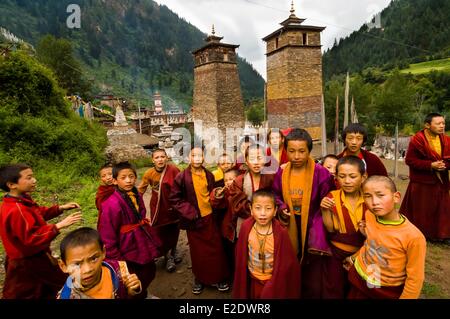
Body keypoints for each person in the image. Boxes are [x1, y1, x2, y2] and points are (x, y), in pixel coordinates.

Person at [0, 163, 82, 299]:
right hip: (27, 261)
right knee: (23, 292)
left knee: (44, 288)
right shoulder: (16, 210)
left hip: (34, 257)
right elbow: (31, 238)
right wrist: (59, 225)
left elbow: (37, 214)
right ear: (12, 184)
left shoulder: (21, 201)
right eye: (29, 178)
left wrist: (60, 208)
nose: (34, 180)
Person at [272, 128, 335, 299]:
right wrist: (281, 206)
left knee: (312, 264)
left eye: (302, 151)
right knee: (291, 259)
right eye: (291, 151)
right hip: (291, 222)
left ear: (309, 151)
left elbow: (328, 198)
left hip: (314, 224)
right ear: (285, 150)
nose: (296, 156)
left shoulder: (321, 173)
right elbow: (276, 194)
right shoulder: (282, 172)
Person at [346, 175, 426, 299]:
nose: (374, 202)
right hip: (363, 277)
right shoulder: (370, 216)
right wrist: (354, 258)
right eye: (368, 196)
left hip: (387, 287)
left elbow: (415, 278)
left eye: (380, 195)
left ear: (396, 197)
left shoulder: (414, 237)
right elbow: (372, 242)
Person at [169, 146, 230, 295]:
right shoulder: (181, 177)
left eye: (200, 156)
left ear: (204, 158)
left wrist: (218, 196)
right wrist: (190, 212)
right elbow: (174, 198)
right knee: (198, 252)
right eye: (193, 155)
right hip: (194, 220)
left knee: (216, 249)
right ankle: (200, 279)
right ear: (189, 158)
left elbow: (212, 195)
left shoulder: (209, 174)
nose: (197, 158)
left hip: (210, 218)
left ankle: (219, 277)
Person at [98, 162, 160, 299]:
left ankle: (143, 293)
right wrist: (117, 261)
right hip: (126, 246)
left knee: (148, 270)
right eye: (123, 177)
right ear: (115, 181)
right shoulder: (111, 204)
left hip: (139, 239)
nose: (128, 180)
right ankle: (138, 295)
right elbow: (107, 236)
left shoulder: (135, 193)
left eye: (131, 176)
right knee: (132, 276)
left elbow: (142, 214)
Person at [233, 190, 301, 299]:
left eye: (268, 208)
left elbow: (287, 262)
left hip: (272, 281)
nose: (263, 213)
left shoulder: (280, 232)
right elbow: (240, 254)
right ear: (251, 209)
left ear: (275, 211)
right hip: (253, 278)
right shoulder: (246, 227)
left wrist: (275, 280)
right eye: (258, 208)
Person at [320, 156, 367, 298]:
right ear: (336, 177)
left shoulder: (369, 198)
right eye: (342, 176)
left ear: (363, 177)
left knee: (359, 290)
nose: (347, 181)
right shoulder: (332, 197)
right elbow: (330, 229)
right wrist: (324, 210)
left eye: (352, 176)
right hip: (337, 253)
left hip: (363, 254)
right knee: (334, 289)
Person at [399, 113, 450, 243]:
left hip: (440, 181)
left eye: (443, 123)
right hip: (422, 182)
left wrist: (444, 165)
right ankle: (420, 234)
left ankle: (441, 235)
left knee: (441, 209)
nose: (442, 126)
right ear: (427, 125)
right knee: (422, 210)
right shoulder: (417, 140)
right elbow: (410, 160)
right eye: (438, 123)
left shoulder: (446, 140)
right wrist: (430, 165)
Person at [57, 227, 142, 299]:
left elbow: (127, 294)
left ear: (103, 252)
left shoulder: (118, 269)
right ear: (63, 266)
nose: (87, 269)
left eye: (94, 259)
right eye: (77, 264)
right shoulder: (66, 296)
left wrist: (133, 291)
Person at [138, 149, 182, 273]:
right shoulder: (149, 173)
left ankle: (173, 249)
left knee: (174, 228)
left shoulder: (174, 170)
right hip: (157, 205)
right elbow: (141, 190)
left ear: (166, 158)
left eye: (162, 156)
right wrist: (133, 202)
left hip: (172, 205)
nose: (160, 159)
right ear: (153, 160)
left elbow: (181, 186)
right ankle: (168, 257)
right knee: (160, 231)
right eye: (157, 157)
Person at [95, 164, 115, 229]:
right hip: (107, 219)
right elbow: (99, 206)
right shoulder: (102, 191)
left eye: (110, 174)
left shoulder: (122, 187)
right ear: (101, 179)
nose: (108, 177)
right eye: (103, 176)